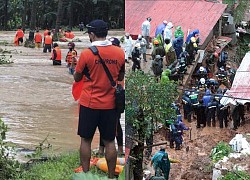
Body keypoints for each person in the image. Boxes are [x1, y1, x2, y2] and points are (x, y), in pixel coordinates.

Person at [73, 19, 125, 179]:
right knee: (110, 141)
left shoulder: (87, 54)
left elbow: (77, 77)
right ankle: (111, 176)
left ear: (92, 34)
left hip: (89, 103)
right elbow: (121, 76)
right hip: (110, 105)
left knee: (86, 140)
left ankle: (86, 174)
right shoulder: (119, 53)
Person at [98, 37, 124, 157]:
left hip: (116, 95)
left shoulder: (119, 57)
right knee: (104, 123)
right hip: (107, 94)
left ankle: (119, 149)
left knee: (116, 124)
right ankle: (102, 149)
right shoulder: (114, 57)